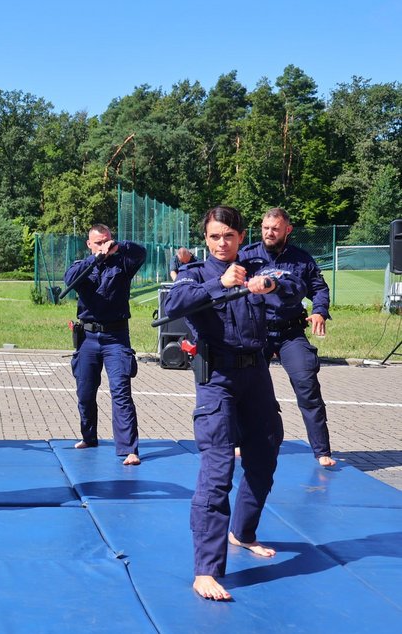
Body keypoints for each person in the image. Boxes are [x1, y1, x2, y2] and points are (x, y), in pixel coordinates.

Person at [164, 205, 303, 601]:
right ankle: (206, 570)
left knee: (265, 456)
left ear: (242, 237)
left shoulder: (258, 265)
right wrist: (220, 284)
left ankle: (243, 532)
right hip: (217, 379)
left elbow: (295, 288)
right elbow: (174, 305)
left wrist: (271, 287)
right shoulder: (195, 274)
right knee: (218, 466)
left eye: (229, 236)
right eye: (214, 237)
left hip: (256, 374)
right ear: (205, 240)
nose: (222, 243)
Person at [241, 208, 336, 467]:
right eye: (265, 228)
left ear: (287, 230)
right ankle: (242, 440)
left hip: (290, 333)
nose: (269, 233)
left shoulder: (301, 259)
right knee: (244, 386)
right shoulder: (246, 256)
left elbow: (319, 288)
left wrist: (319, 311)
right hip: (257, 332)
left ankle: (322, 451)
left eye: (275, 229)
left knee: (307, 386)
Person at [63, 224, 145, 465]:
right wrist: (95, 260)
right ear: (89, 245)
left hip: (116, 337)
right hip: (88, 337)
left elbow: (140, 253)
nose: (103, 245)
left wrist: (119, 247)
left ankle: (129, 449)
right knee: (85, 391)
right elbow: (69, 279)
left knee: (121, 391)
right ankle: (89, 436)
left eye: (106, 241)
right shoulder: (82, 266)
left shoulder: (123, 263)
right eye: (98, 242)